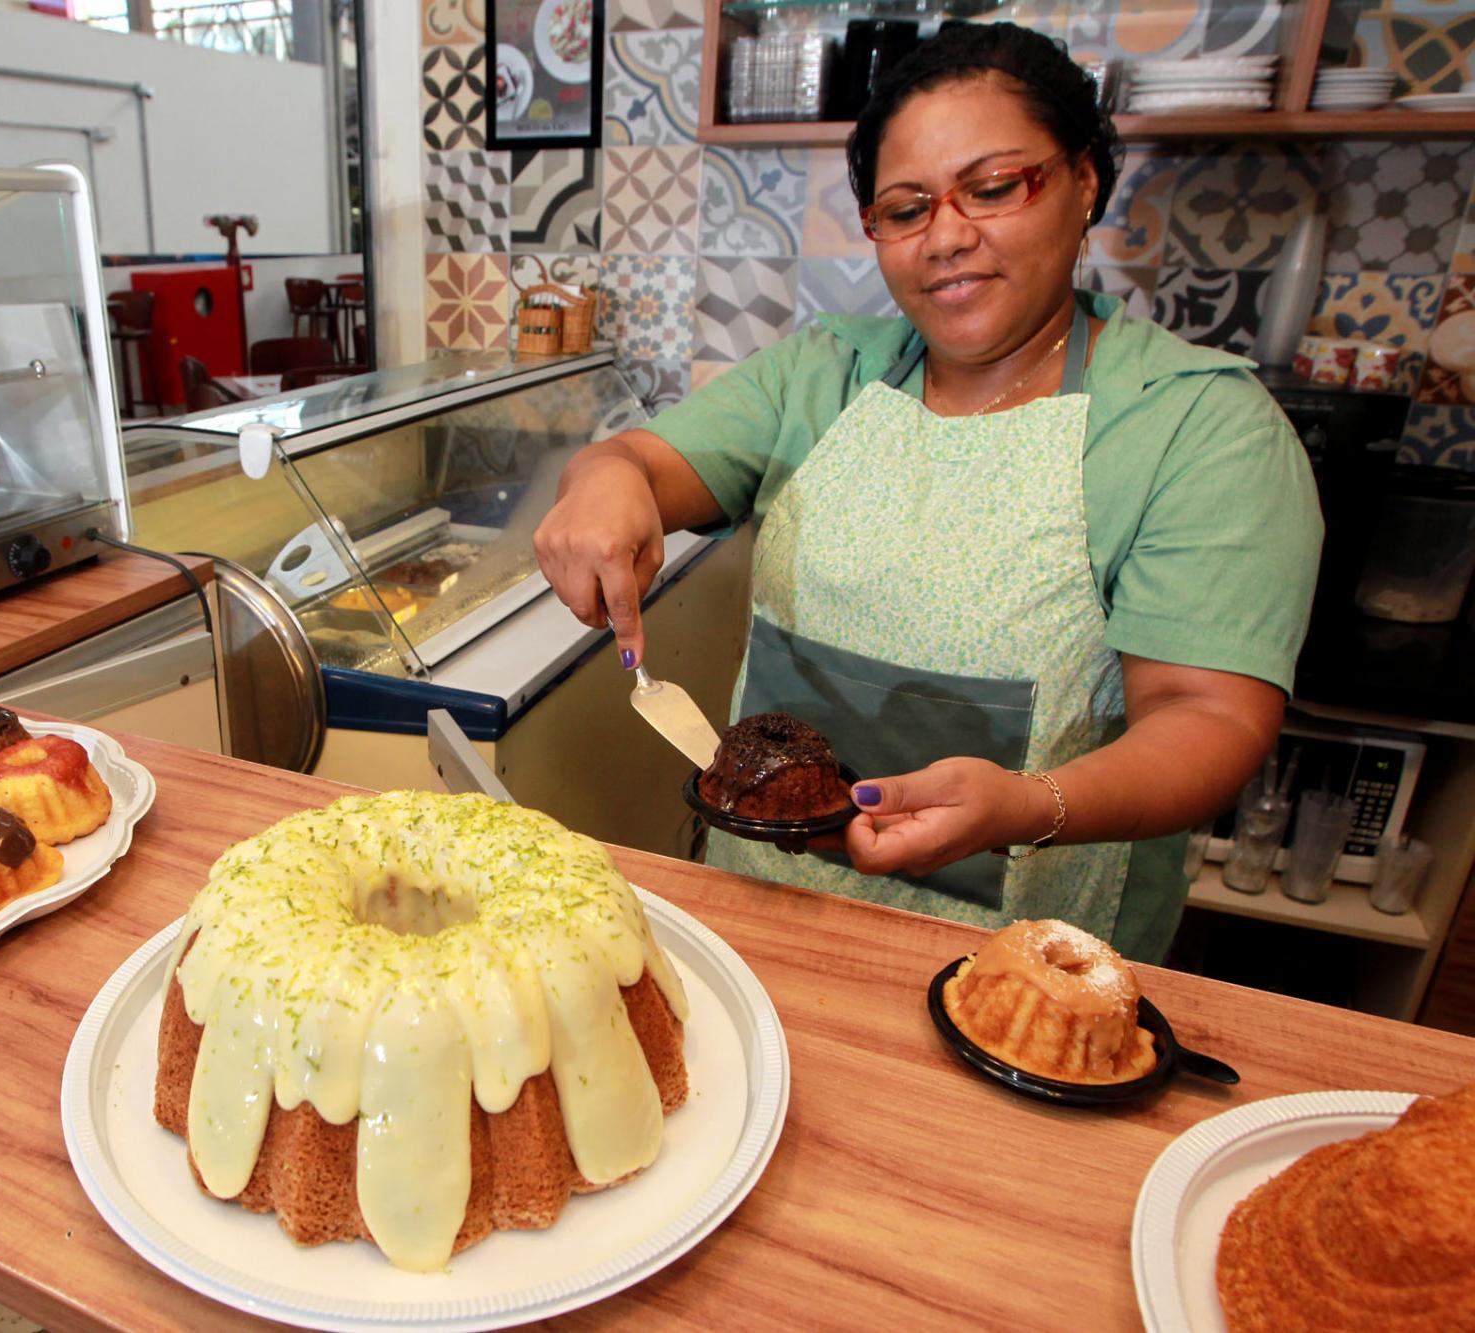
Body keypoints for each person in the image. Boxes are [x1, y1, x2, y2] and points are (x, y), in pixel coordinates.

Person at [532, 22, 1321, 963]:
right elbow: (641, 462)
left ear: (1084, 182)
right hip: (763, 909)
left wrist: (1027, 804)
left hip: (1027, 963)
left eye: (993, 189)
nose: (947, 237)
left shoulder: (1197, 427)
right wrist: (606, 478)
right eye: (905, 211)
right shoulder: (824, 371)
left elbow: (1210, 717)